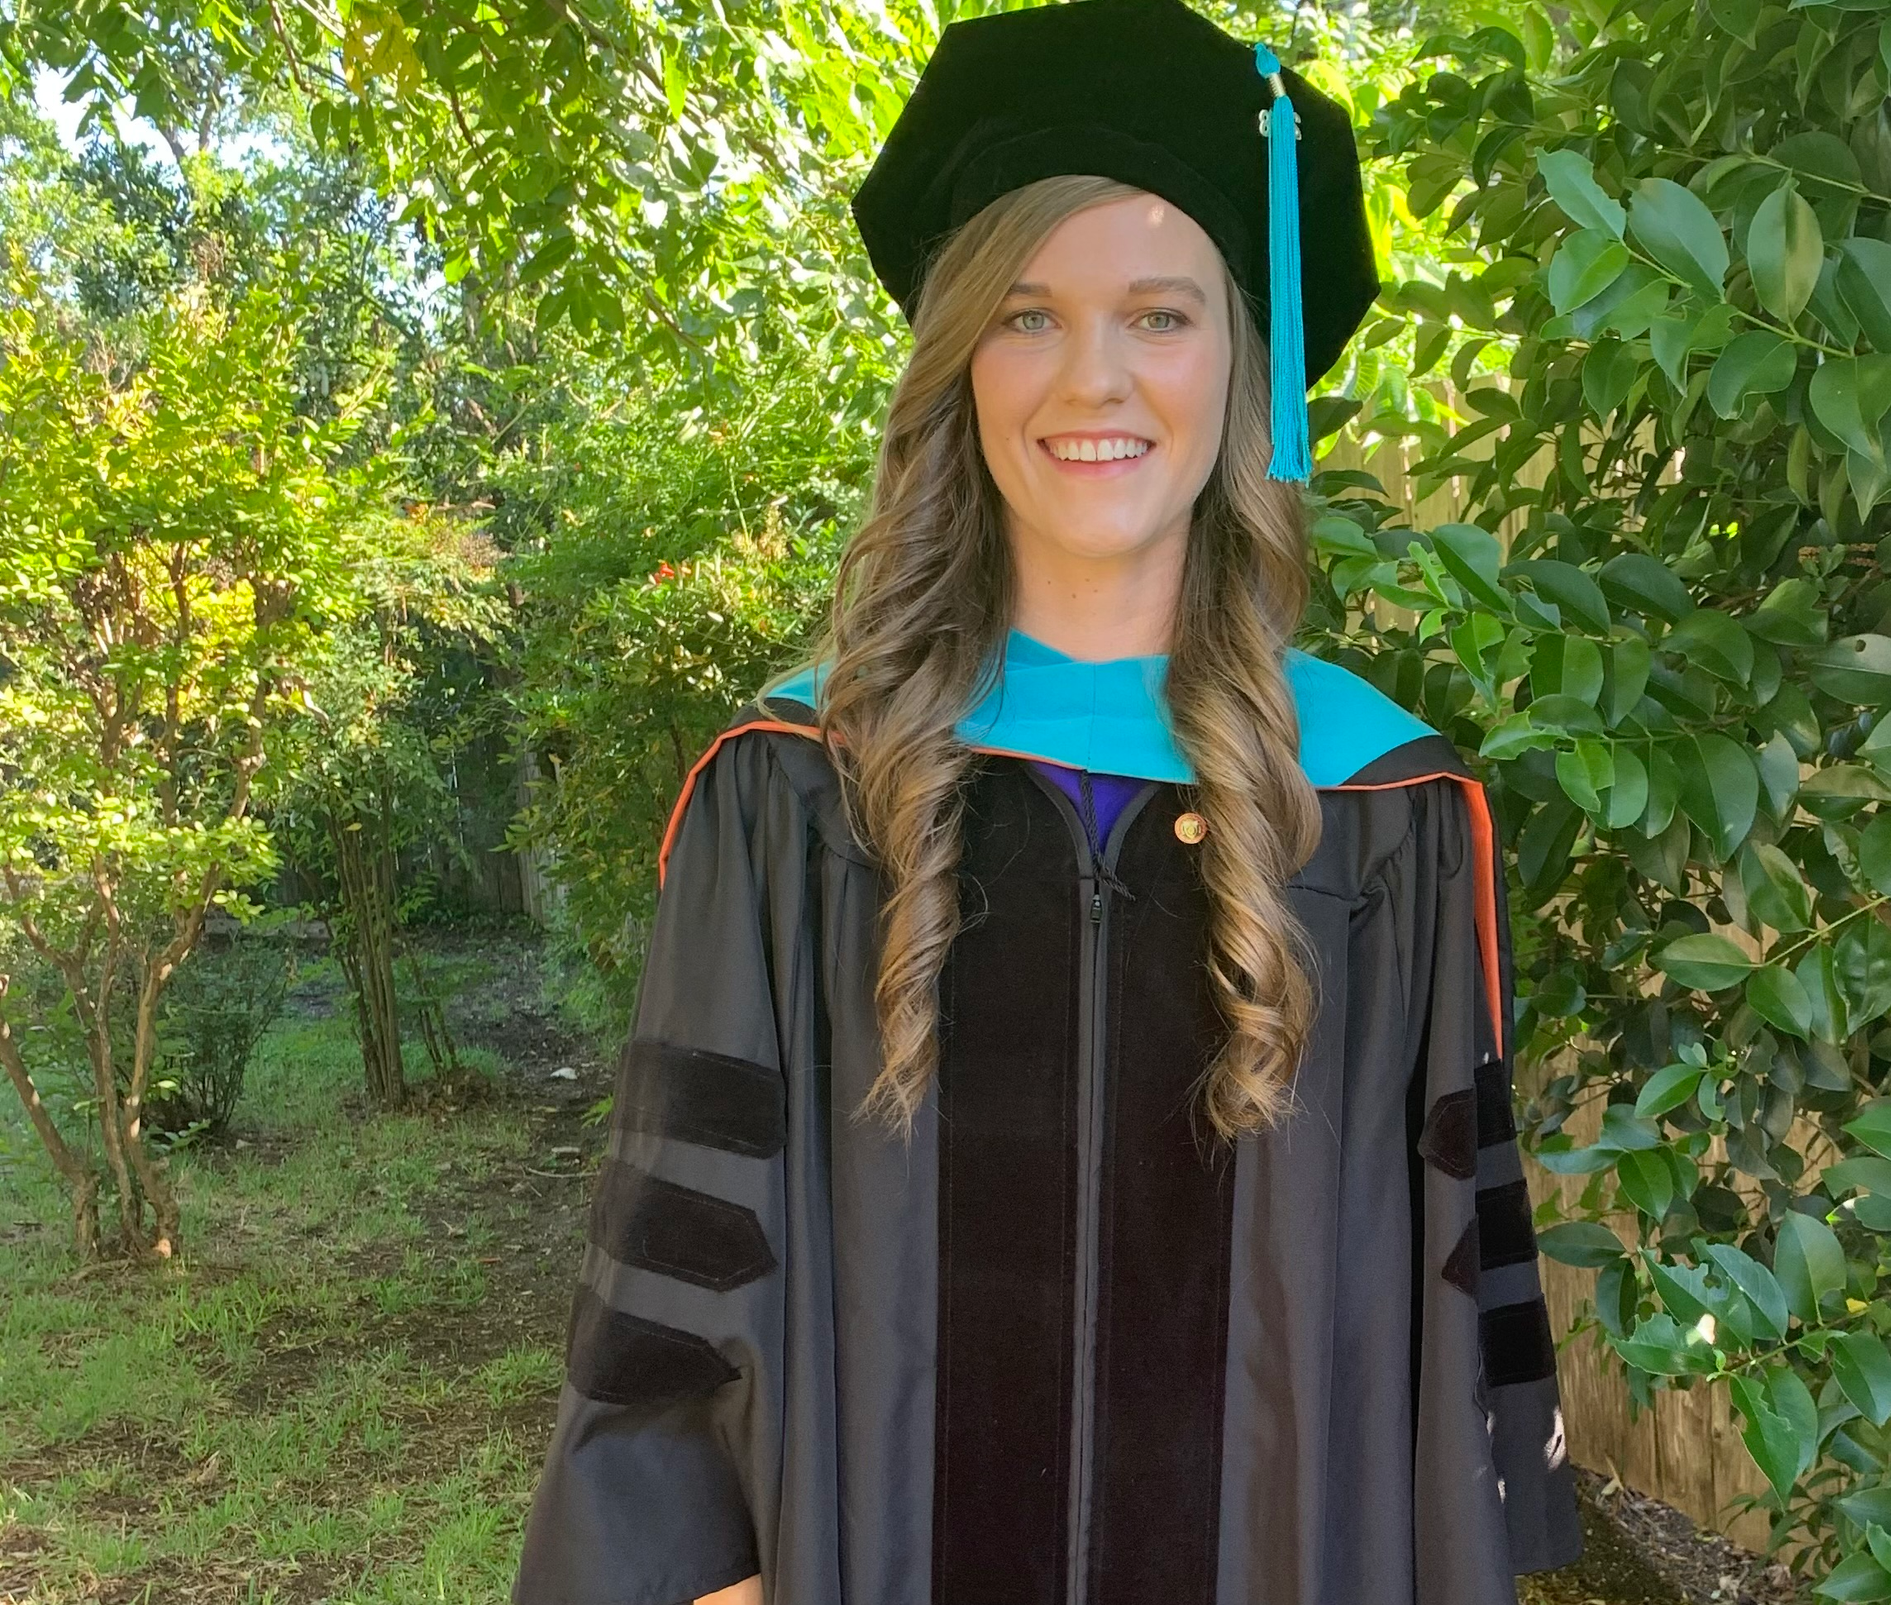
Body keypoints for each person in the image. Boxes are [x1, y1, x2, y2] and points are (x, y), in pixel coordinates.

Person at [509, 2, 1582, 1600]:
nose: (1095, 376)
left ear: (1245, 365)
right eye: (1027, 314)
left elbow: (1442, 1320)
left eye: (1160, 316)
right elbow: (683, 1262)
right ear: (960, 363)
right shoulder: (800, 792)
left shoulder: (1378, 815)